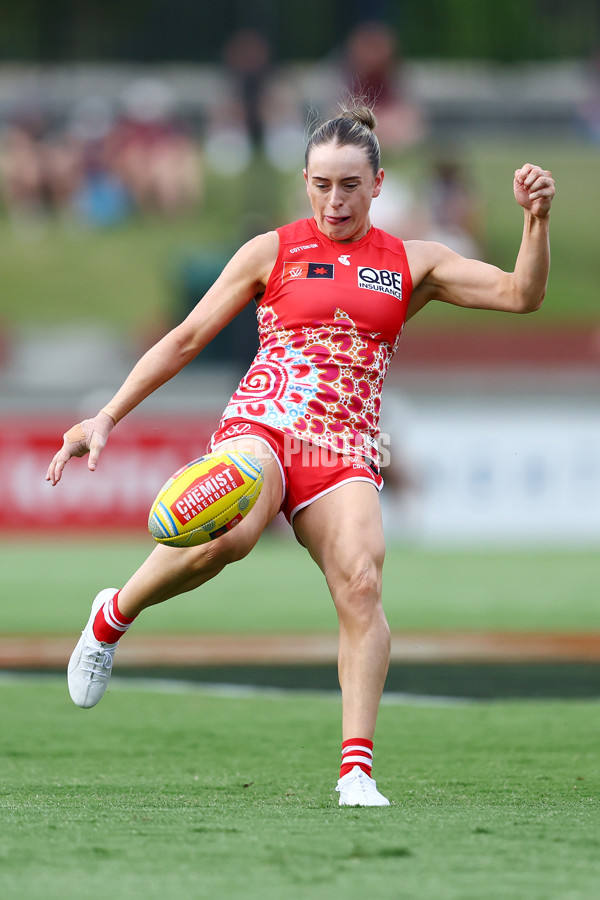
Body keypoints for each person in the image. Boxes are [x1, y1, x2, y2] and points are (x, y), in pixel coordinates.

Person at [46, 100, 556, 807]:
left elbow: (521, 295)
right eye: (320, 184)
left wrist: (535, 221)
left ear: (378, 186)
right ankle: (112, 617)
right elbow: (188, 337)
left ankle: (356, 772)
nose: (334, 199)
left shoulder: (414, 261)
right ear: (305, 182)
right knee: (231, 539)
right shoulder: (272, 250)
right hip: (266, 422)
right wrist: (103, 416)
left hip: (344, 445)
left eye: (350, 185)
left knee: (362, 584)